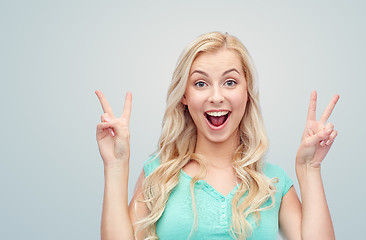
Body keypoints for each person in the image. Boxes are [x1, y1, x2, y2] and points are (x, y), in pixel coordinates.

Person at [95, 32, 339, 240]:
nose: (216, 96)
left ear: (247, 93)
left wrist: (310, 167)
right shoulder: (158, 175)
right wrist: (116, 165)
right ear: (184, 96)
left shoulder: (274, 182)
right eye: (200, 84)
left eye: (230, 82)